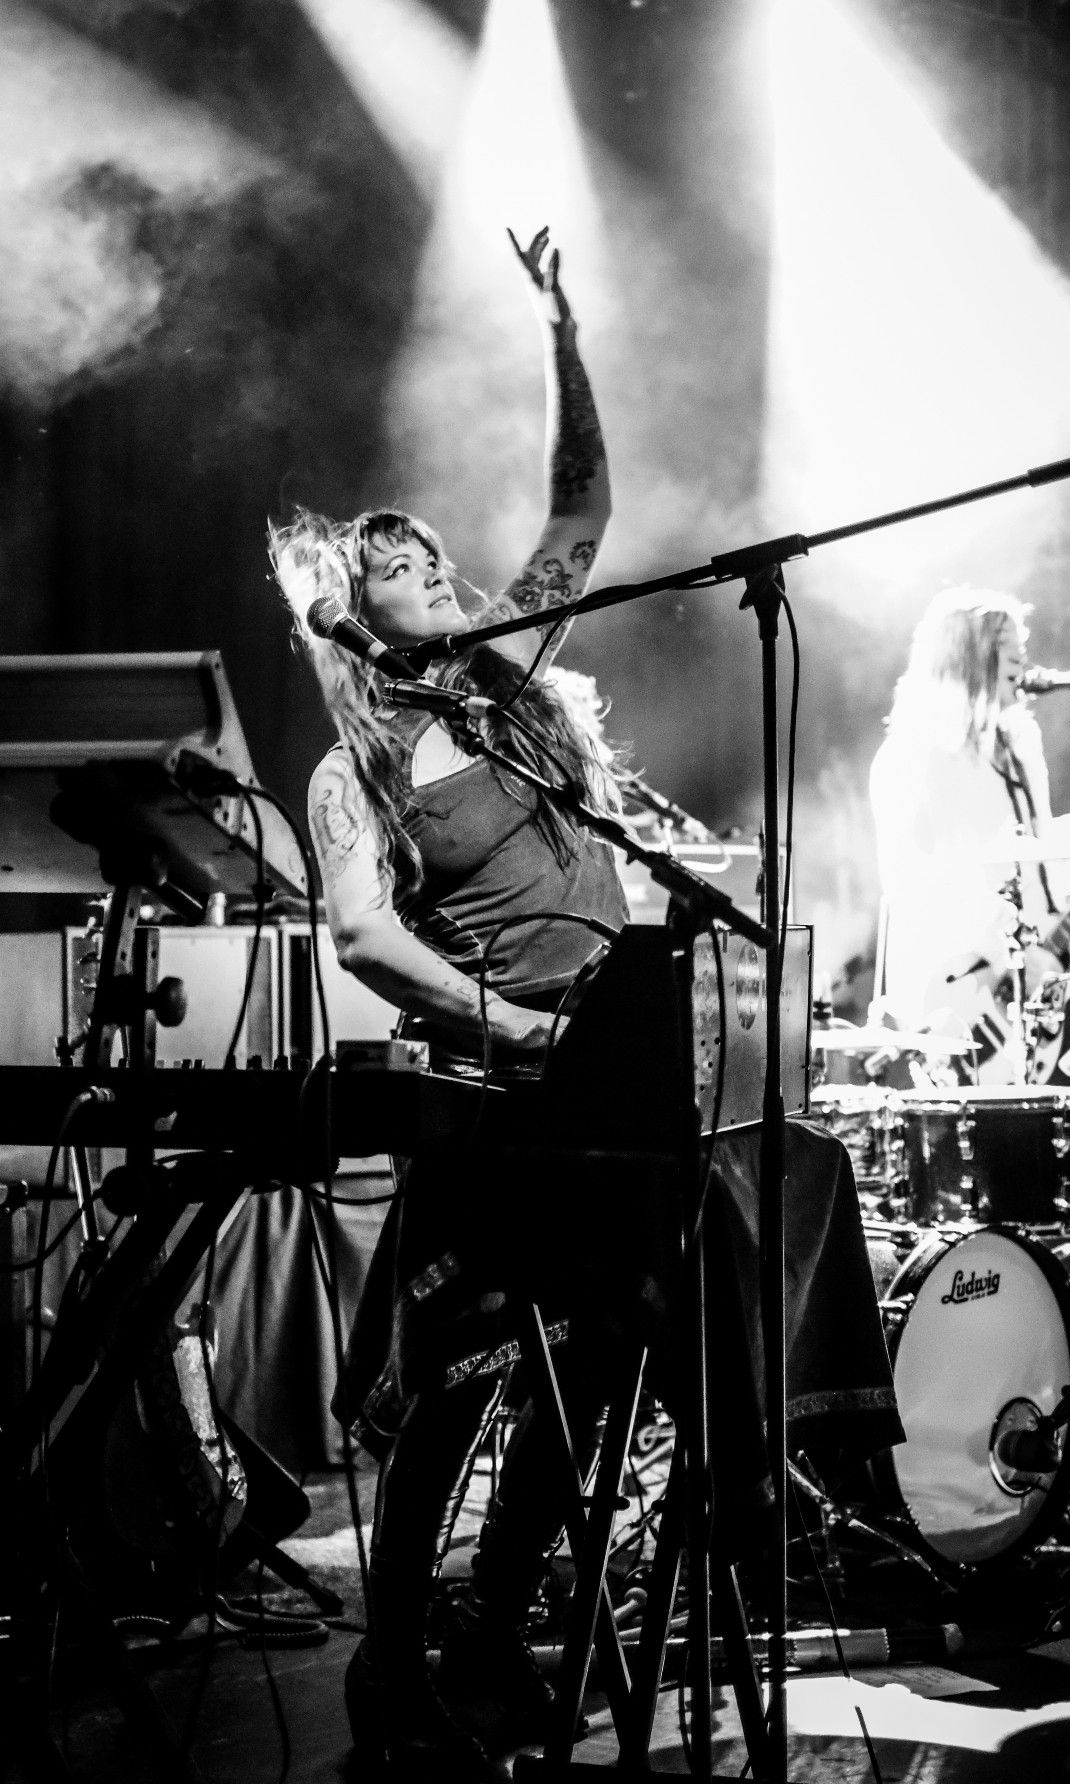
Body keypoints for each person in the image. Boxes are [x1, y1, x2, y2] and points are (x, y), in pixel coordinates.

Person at [269, 227, 630, 1777]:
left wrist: (560, 331)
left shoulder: (509, 680)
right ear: (356, 615)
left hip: (611, 1065)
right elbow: (361, 939)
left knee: (601, 1358)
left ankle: (493, 1615)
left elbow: (585, 508)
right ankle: (394, 1655)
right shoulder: (354, 768)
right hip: (502, 1085)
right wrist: (515, 1026)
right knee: (468, 1369)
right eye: (396, 567)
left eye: (433, 557)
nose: (432, 567)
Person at [870, 586, 1070, 1074]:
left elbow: (1039, 854)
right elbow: (917, 885)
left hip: (1028, 995)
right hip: (956, 1002)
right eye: (1005, 646)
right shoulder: (911, 759)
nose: (1023, 656)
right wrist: (1004, 950)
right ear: (966, 657)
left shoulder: (1019, 747)